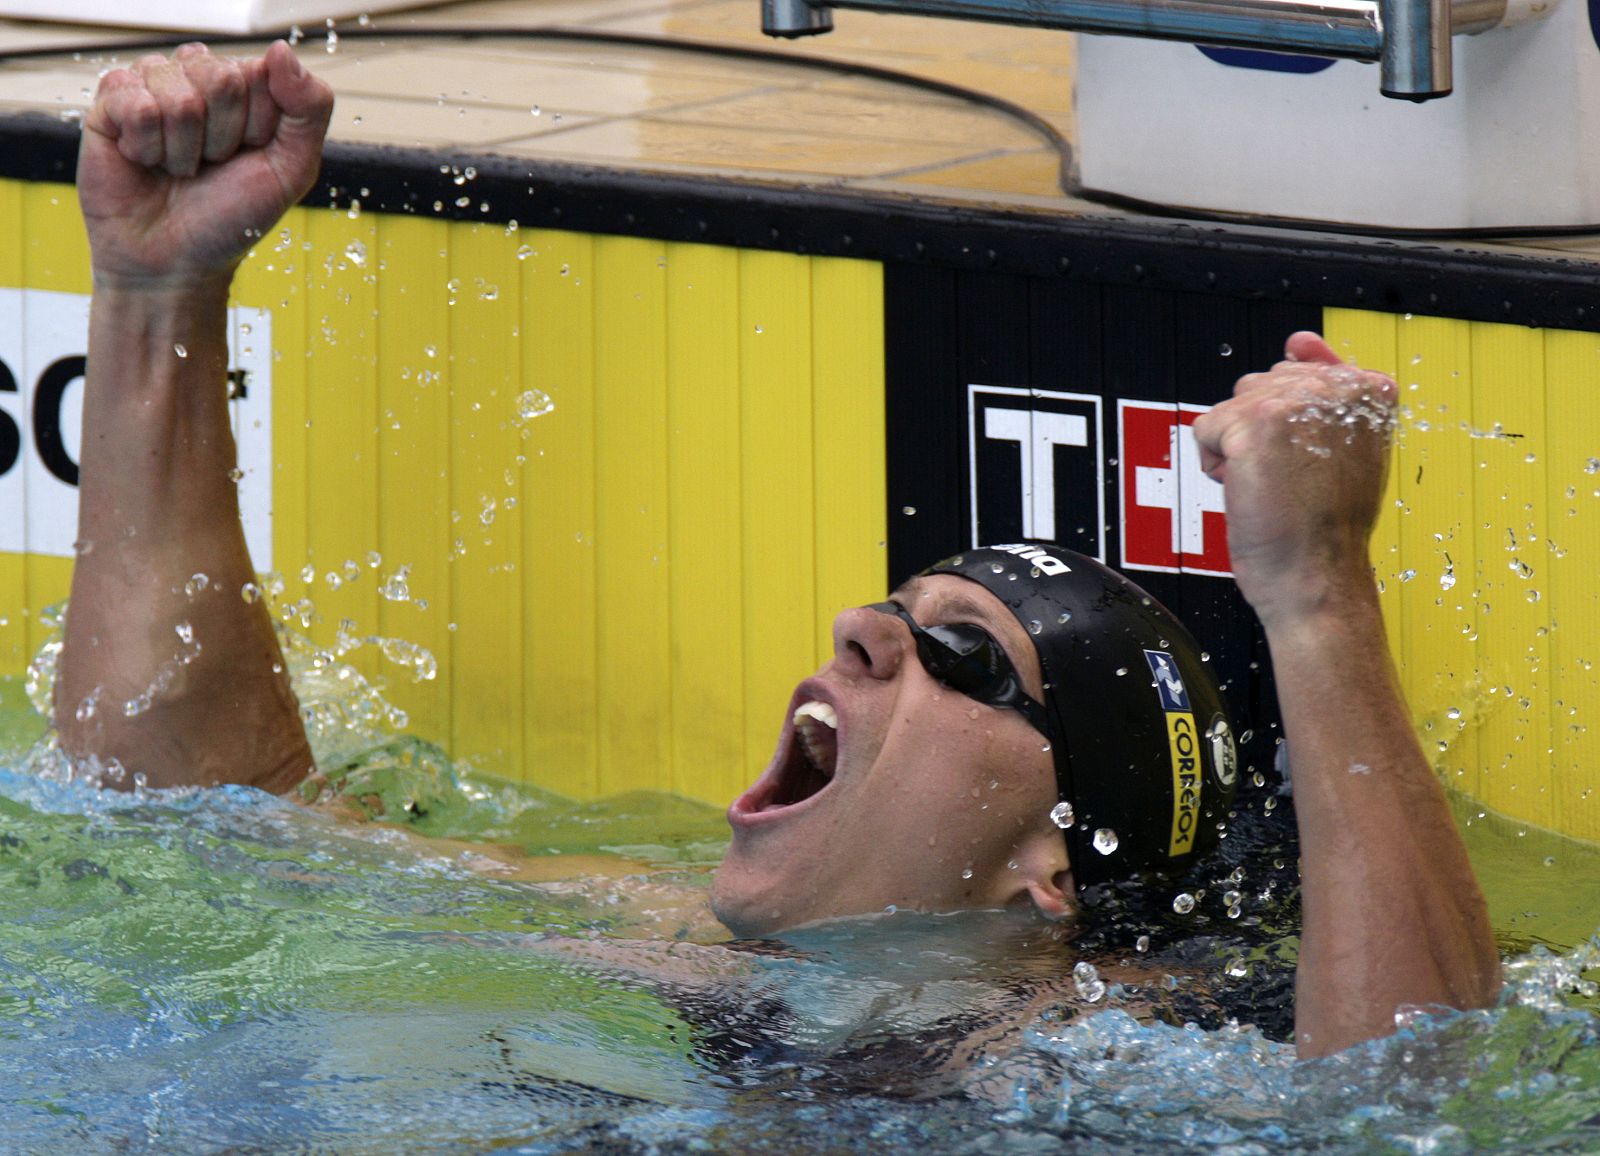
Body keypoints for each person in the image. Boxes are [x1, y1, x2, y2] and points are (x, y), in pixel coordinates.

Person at [55, 41, 1499, 1060]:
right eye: (893, 609)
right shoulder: (684, 950)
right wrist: (155, 293)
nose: (856, 636)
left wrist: (1317, 594)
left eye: (957, 656)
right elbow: (207, 829)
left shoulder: (1088, 1048)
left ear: (1045, 872)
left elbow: (1411, 1092)